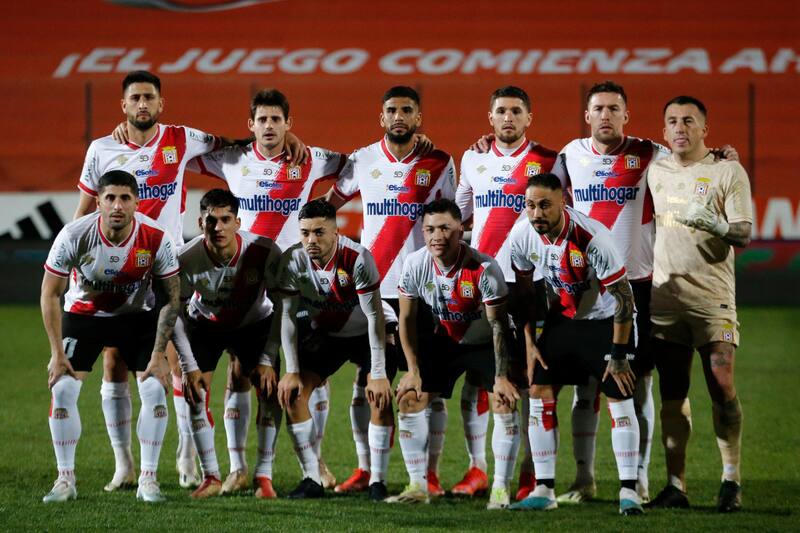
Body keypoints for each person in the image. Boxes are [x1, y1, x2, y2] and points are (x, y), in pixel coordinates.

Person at [74, 71, 305, 490]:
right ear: (123, 105)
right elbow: (85, 207)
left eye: (149, 98)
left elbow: (234, 144)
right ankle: (124, 464)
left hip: (163, 262)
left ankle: (185, 451)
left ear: (161, 104)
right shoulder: (101, 149)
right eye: (135, 98)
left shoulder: (182, 139)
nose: (142, 105)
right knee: (113, 360)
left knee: (179, 364)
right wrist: (75, 256)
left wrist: (286, 140)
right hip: (119, 267)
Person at [186, 89, 346, 493]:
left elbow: (361, 163)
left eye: (278, 120)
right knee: (240, 374)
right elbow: (181, 153)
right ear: (251, 125)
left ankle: (315, 459)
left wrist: (325, 205)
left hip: (295, 277)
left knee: (311, 376)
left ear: (289, 124)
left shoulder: (311, 158)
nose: (270, 127)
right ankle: (239, 468)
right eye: (263, 120)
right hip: (245, 279)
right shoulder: (234, 159)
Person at [325, 86, 457, 496]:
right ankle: (367, 471)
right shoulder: (363, 160)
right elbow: (331, 202)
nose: (399, 116)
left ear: (419, 117)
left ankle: (429, 475)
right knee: (368, 379)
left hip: (423, 290)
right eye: (391, 110)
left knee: (429, 386)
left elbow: (451, 219)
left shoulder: (439, 162)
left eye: (407, 110)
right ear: (381, 117)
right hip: (374, 289)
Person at [508, 173, 644, 516]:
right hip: (563, 320)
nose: (536, 213)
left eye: (544, 205)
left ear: (563, 203)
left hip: (607, 321)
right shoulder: (523, 234)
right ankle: (544, 488)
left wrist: (618, 355)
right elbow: (526, 294)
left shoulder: (592, 238)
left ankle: (629, 492)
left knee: (619, 393)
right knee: (539, 391)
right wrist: (530, 341)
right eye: (530, 205)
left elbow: (625, 298)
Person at [41, 170, 180, 503]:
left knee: (153, 387)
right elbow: (50, 294)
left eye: (125, 198)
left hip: (137, 319)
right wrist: (57, 353)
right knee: (62, 389)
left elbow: (171, 297)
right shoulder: (74, 235)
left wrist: (159, 354)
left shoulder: (155, 237)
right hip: (85, 317)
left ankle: (149, 479)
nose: (117, 206)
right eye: (110, 198)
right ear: (99, 202)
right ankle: (65, 480)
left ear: (136, 202)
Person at [645, 96, 751, 513]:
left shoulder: (727, 170)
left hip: (713, 298)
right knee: (672, 393)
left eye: (688, 120)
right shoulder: (656, 169)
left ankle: (730, 479)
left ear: (705, 128)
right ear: (664, 129)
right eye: (671, 121)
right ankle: (676, 486)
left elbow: (742, 234)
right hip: (665, 299)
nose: (679, 127)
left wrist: (718, 225)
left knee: (722, 386)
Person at [455, 86, 557, 500]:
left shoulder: (550, 161)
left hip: (529, 284)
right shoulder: (474, 158)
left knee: (531, 380)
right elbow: (461, 212)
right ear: (490, 117)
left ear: (529, 117)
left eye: (516, 111)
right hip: (481, 282)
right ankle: (477, 467)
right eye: (501, 111)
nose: (509, 117)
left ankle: (532, 473)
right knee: (480, 375)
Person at [388, 198, 520, 509]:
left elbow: (500, 327)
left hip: (486, 342)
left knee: (503, 399)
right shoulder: (415, 263)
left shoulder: (484, 268)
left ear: (460, 229)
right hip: (445, 340)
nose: (437, 236)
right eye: (430, 229)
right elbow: (405, 321)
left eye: (445, 228)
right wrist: (412, 369)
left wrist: (501, 376)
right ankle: (418, 485)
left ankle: (500, 489)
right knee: (410, 396)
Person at [276, 199, 395, 501]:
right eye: (305, 233)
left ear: (336, 232)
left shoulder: (357, 259)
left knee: (376, 395)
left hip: (369, 333)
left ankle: (377, 482)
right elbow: (288, 316)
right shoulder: (292, 261)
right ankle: (311, 478)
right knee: (293, 393)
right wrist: (290, 371)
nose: (311, 240)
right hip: (328, 334)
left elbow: (375, 317)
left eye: (319, 232)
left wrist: (378, 374)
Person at [170, 189, 282, 499]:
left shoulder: (264, 251)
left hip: (254, 325)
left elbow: (283, 307)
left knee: (269, 391)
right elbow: (173, 313)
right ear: (200, 221)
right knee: (194, 392)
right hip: (205, 325)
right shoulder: (186, 258)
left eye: (225, 220)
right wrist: (187, 364)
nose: (217, 227)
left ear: (238, 222)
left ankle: (262, 476)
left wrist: (268, 357)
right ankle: (212, 476)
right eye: (210, 220)